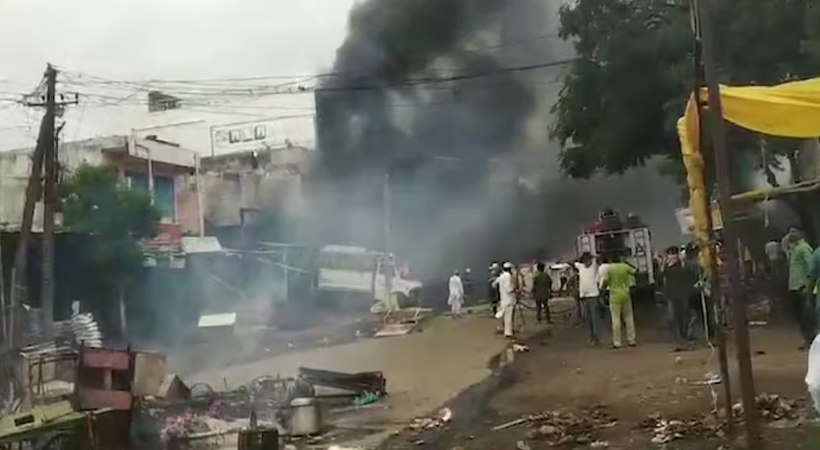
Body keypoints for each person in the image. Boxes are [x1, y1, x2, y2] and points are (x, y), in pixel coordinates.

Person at [660, 246, 698, 350]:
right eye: (669, 254)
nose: (671, 256)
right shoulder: (667, 267)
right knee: (674, 318)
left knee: (683, 317)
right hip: (672, 296)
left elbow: (689, 275)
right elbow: (661, 274)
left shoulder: (682, 266)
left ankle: (686, 338)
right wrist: (664, 262)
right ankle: (680, 339)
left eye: (673, 254)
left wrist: (682, 262)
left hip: (683, 295)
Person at [786, 227, 815, 349]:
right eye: (790, 232)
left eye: (794, 231)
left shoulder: (804, 248)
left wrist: (808, 287)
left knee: (806, 317)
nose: (791, 234)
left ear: (801, 233)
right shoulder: (793, 249)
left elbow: (811, 268)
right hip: (794, 287)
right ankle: (808, 340)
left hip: (802, 287)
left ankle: (812, 341)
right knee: (800, 317)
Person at [602, 252, 637, 348]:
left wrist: (602, 290)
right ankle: (631, 340)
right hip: (625, 294)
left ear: (611, 260)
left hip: (614, 295)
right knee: (629, 317)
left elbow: (605, 281)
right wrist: (626, 263)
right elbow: (635, 272)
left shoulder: (609, 268)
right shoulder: (624, 267)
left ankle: (617, 342)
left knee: (616, 319)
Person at [574, 252, 602, 345]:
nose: (587, 262)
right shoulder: (580, 267)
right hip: (584, 297)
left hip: (593, 296)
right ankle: (592, 337)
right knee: (589, 319)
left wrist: (593, 256)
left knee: (594, 318)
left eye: (588, 260)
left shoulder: (594, 265)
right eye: (585, 260)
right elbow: (573, 262)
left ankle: (596, 338)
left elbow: (599, 257)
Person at [493, 262, 516, 339]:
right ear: (509, 269)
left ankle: (503, 328)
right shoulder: (508, 276)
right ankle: (508, 333)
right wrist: (514, 290)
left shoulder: (501, 276)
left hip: (503, 299)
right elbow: (509, 289)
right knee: (508, 317)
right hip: (509, 299)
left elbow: (494, 283)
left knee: (504, 315)